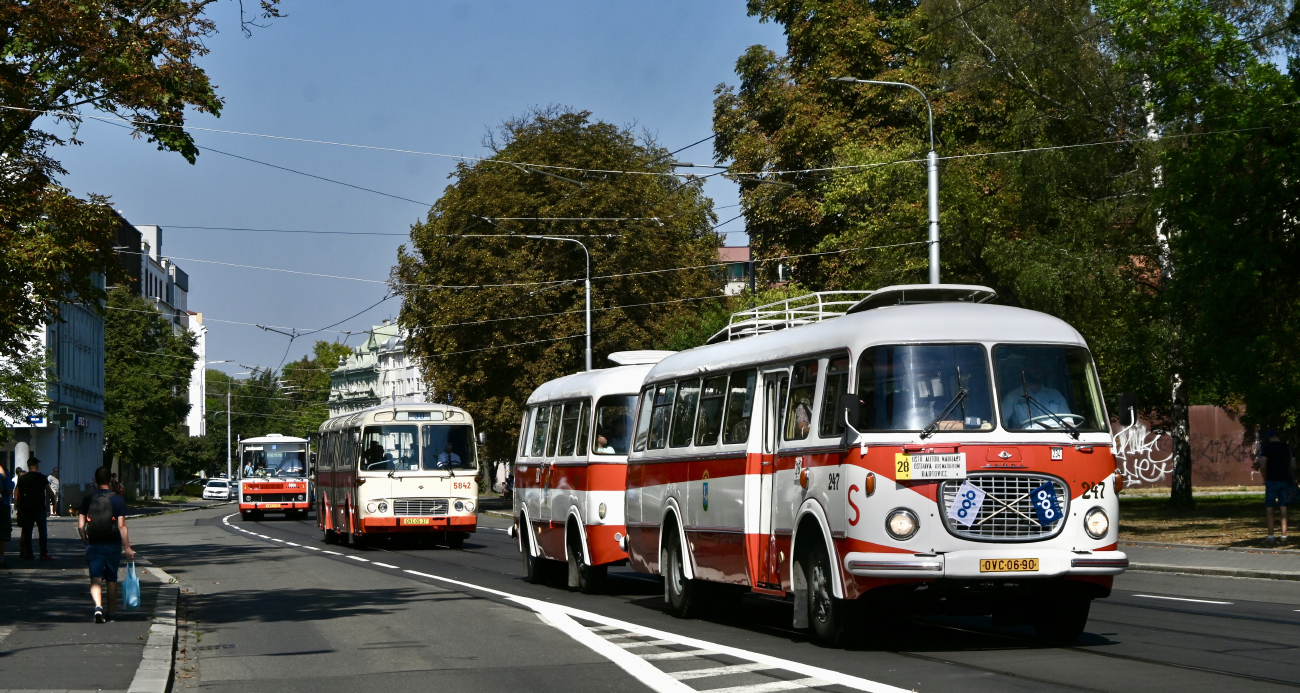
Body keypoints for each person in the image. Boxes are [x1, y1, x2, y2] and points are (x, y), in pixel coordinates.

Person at [78, 466, 134, 623]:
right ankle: (111, 613)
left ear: (95, 480)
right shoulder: (118, 500)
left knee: (95, 577)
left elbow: (81, 526)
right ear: (110, 480)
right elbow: (122, 526)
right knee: (111, 579)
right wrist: (128, 547)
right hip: (113, 544)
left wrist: (86, 541)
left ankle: (98, 607)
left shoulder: (87, 499)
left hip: (94, 543)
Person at [1000, 363, 1072, 430]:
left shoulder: (1055, 394)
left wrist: (1068, 424)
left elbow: (1066, 417)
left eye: (1040, 366)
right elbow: (1001, 422)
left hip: (1057, 436)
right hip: (1027, 439)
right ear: (1024, 370)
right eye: (1032, 366)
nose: (1037, 369)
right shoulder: (1012, 396)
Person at [1256, 430, 1293, 543]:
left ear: (1270, 438)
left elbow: (1263, 466)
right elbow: (1293, 465)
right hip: (1285, 480)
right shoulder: (1287, 448)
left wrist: (1265, 479)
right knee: (1283, 507)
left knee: (1270, 508)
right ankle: (1284, 536)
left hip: (1272, 480)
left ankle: (1271, 536)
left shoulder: (1267, 448)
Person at [14, 457, 52, 561]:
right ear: (36, 466)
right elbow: (49, 491)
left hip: (26, 508)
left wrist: (19, 507)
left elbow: (18, 493)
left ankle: (29, 553)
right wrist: (53, 501)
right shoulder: (41, 477)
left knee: (27, 532)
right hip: (39, 507)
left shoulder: (22, 479)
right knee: (42, 531)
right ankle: (43, 553)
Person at [0, 460, 12, 569]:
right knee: (3, 534)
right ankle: (1, 559)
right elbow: (8, 490)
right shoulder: (5, 472)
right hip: (2, 505)